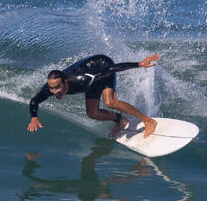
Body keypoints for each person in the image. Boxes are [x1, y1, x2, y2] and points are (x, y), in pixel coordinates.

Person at [27, 54, 160, 138]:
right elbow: (34, 100)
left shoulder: (82, 79)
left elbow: (112, 69)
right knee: (92, 113)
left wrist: (140, 64)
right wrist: (34, 117)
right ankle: (120, 120)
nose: (55, 91)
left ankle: (148, 121)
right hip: (91, 79)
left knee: (110, 102)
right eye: (52, 88)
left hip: (102, 66)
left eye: (58, 87)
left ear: (66, 81)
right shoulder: (49, 89)